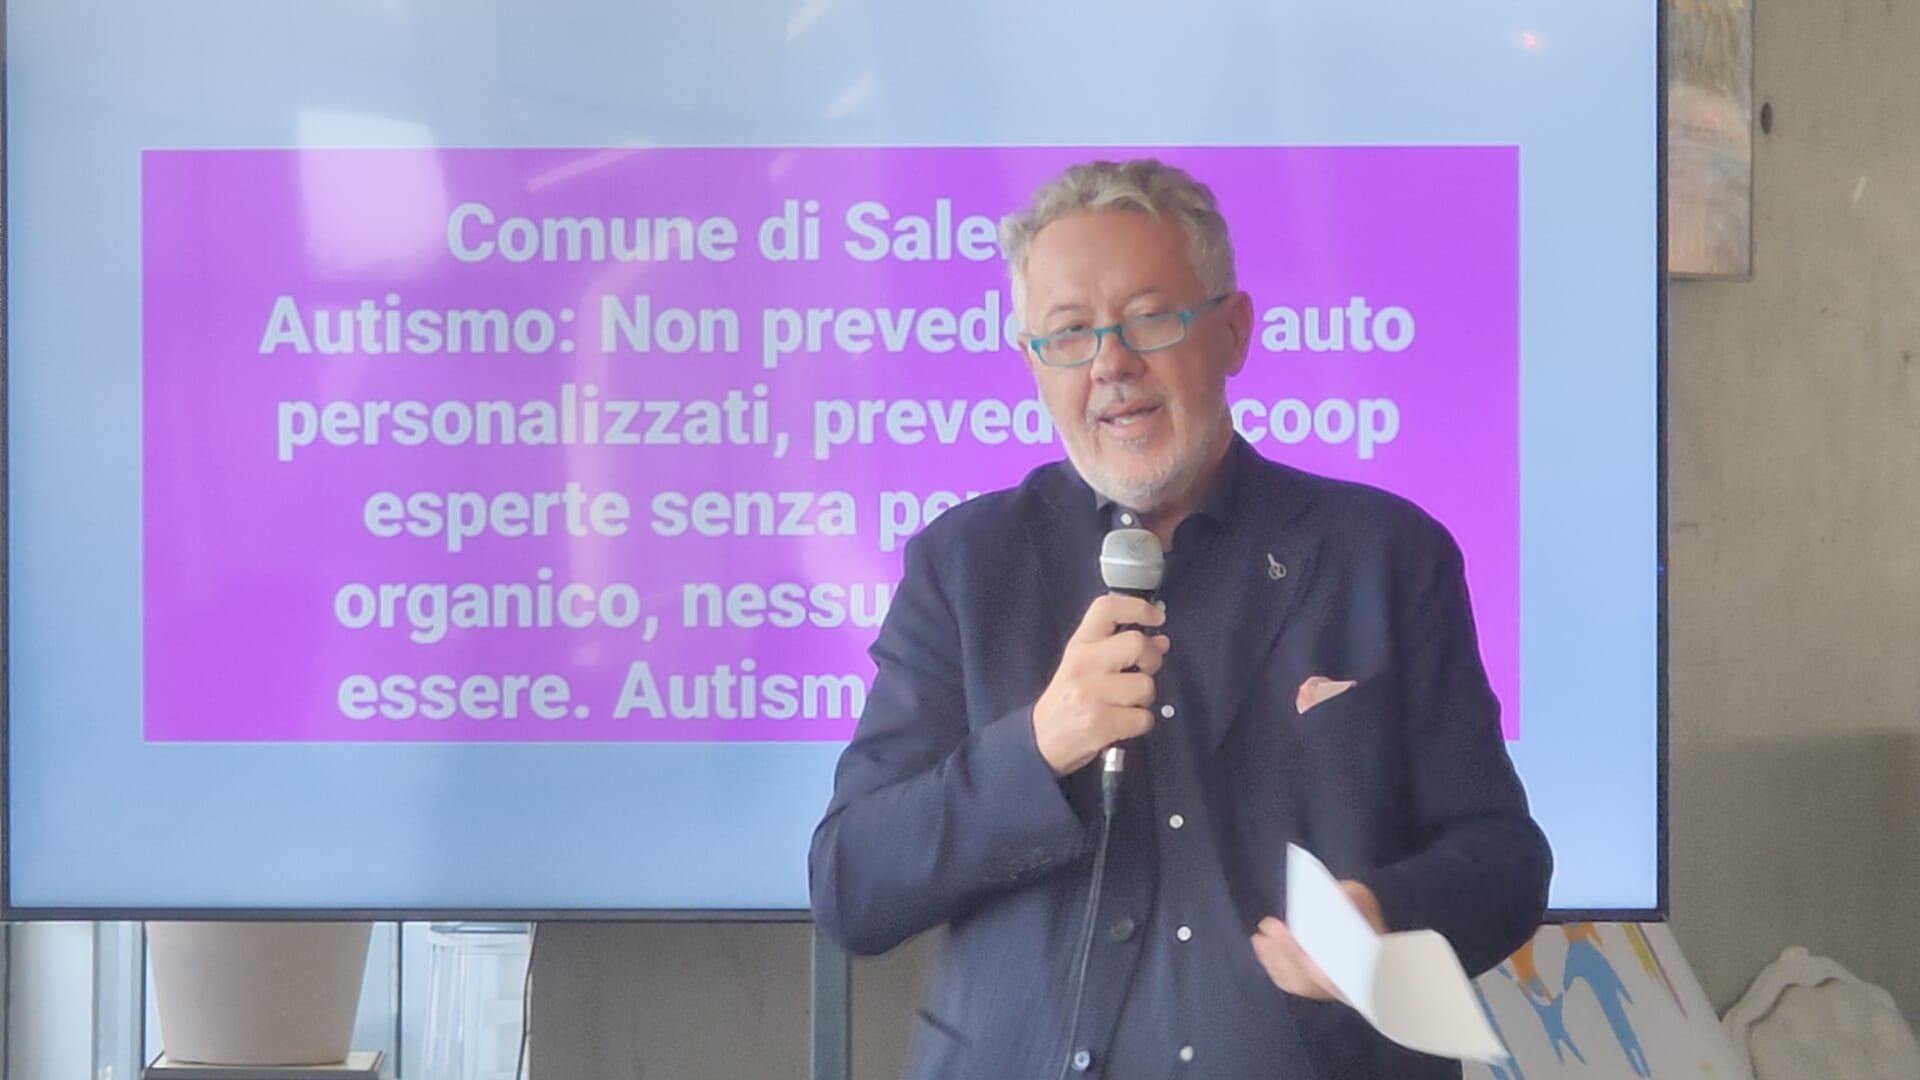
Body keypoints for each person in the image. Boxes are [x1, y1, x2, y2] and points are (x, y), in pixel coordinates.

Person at [808, 157, 1552, 1079]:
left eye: (1150, 319)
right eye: (1069, 333)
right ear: (1033, 363)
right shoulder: (964, 565)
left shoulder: (1384, 555)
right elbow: (853, 886)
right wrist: (1036, 747)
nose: (1111, 364)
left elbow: (1504, 859)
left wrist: (1385, 914)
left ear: (1233, 332)